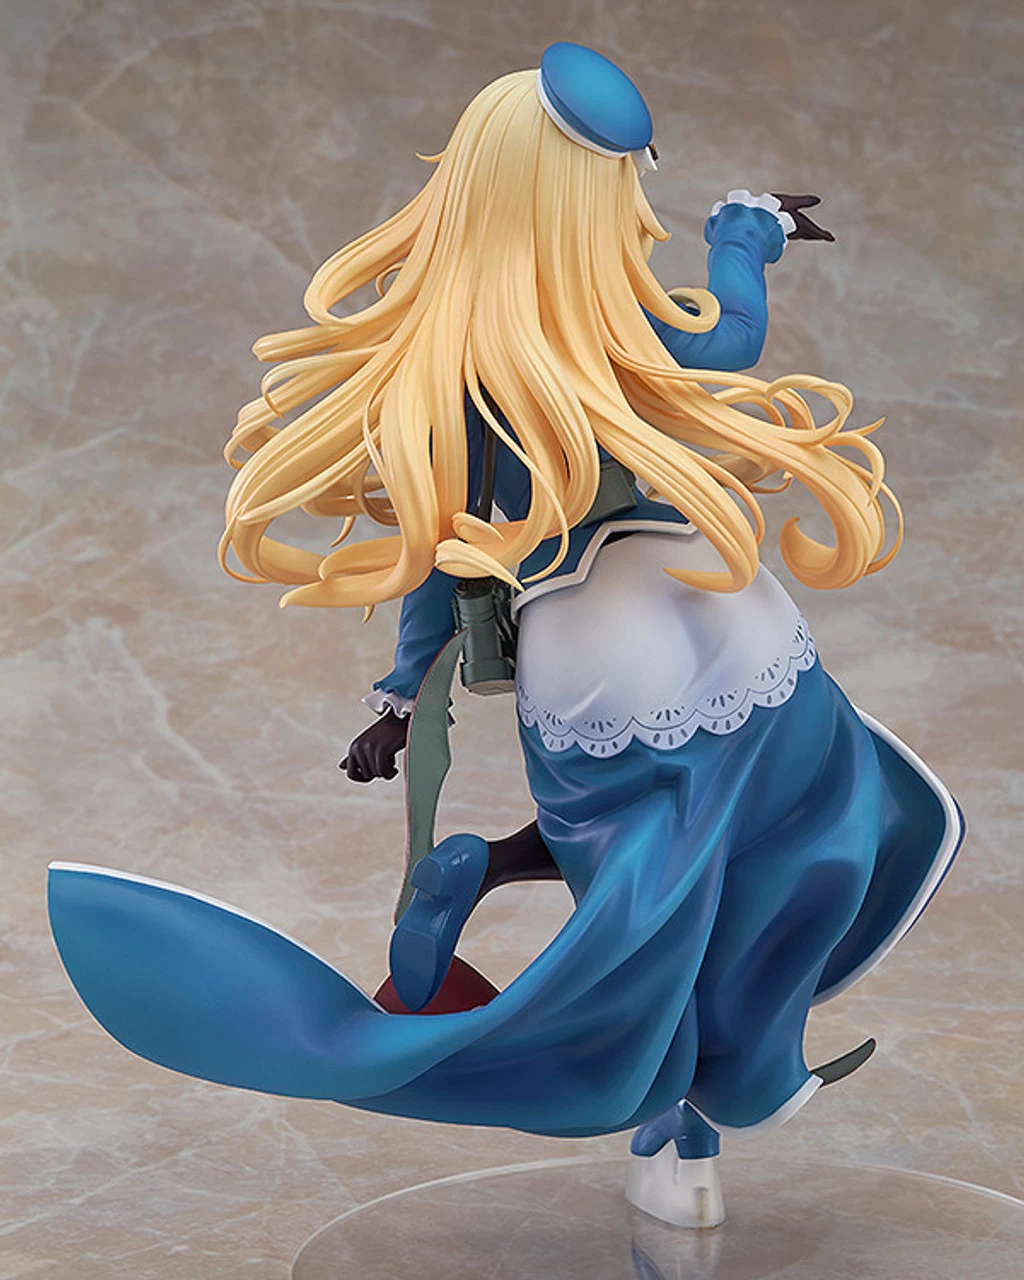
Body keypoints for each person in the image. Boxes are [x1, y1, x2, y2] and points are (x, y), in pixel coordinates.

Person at [48, 45, 962, 1152]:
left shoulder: (453, 371)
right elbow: (732, 338)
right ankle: (741, 1073)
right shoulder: (627, 333)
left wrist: (399, 697)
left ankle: (525, 908)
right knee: (790, 820)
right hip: (713, 598)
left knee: (642, 877)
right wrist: (743, 231)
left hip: (589, 642)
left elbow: (440, 548)